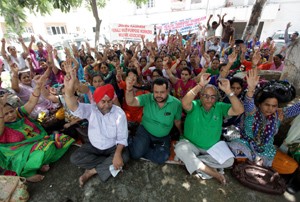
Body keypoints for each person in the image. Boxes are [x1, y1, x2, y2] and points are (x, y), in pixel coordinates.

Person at [63, 62, 129, 187]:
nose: (107, 104)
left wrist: (117, 154)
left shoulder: (119, 113)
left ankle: (92, 171)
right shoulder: (91, 109)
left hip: (111, 147)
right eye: (103, 101)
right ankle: (108, 166)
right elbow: (73, 105)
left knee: (124, 156)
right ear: (97, 101)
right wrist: (68, 90)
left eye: (109, 101)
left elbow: (122, 137)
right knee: (75, 158)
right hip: (94, 146)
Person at [0, 74, 74, 182]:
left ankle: (40, 163)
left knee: (64, 139)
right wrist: (0, 108)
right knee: (48, 148)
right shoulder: (2, 127)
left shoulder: (18, 114)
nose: (10, 115)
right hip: (20, 157)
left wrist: (38, 87)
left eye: (11, 111)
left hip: (37, 144)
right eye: (5, 114)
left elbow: (31, 103)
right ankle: (26, 173)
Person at [174, 73, 244, 184]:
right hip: (191, 145)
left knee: (229, 161)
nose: (209, 99)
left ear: (216, 98)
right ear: (200, 96)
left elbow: (239, 110)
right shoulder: (194, 105)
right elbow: (184, 102)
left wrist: (228, 91)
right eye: (205, 96)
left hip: (211, 149)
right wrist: (200, 85)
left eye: (212, 97)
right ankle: (213, 172)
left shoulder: (220, 107)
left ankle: (193, 162)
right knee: (180, 149)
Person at [228, 69, 299, 173]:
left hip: (266, 150)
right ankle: (257, 166)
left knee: (291, 167)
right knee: (236, 151)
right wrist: (251, 88)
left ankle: (254, 166)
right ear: (260, 104)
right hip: (246, 145)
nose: (270, 109)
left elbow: (297, 108)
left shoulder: (279, 114)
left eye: (274, 106)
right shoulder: (252, 112)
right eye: (267, 105)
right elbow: (248, 103)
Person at [125, 77, 182, 164]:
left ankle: (142, 148)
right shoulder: (147, 98)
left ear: (167, 91)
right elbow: (131, 102)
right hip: (145, 131)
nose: (159, 95)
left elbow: (177, 121)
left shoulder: (176, 103)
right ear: (153, 91)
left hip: (163, 136)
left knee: (162, 158)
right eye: (156, 92)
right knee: (135, 154)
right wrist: (129, 89)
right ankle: (134, 142)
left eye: (162, 92)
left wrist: (181, 134)